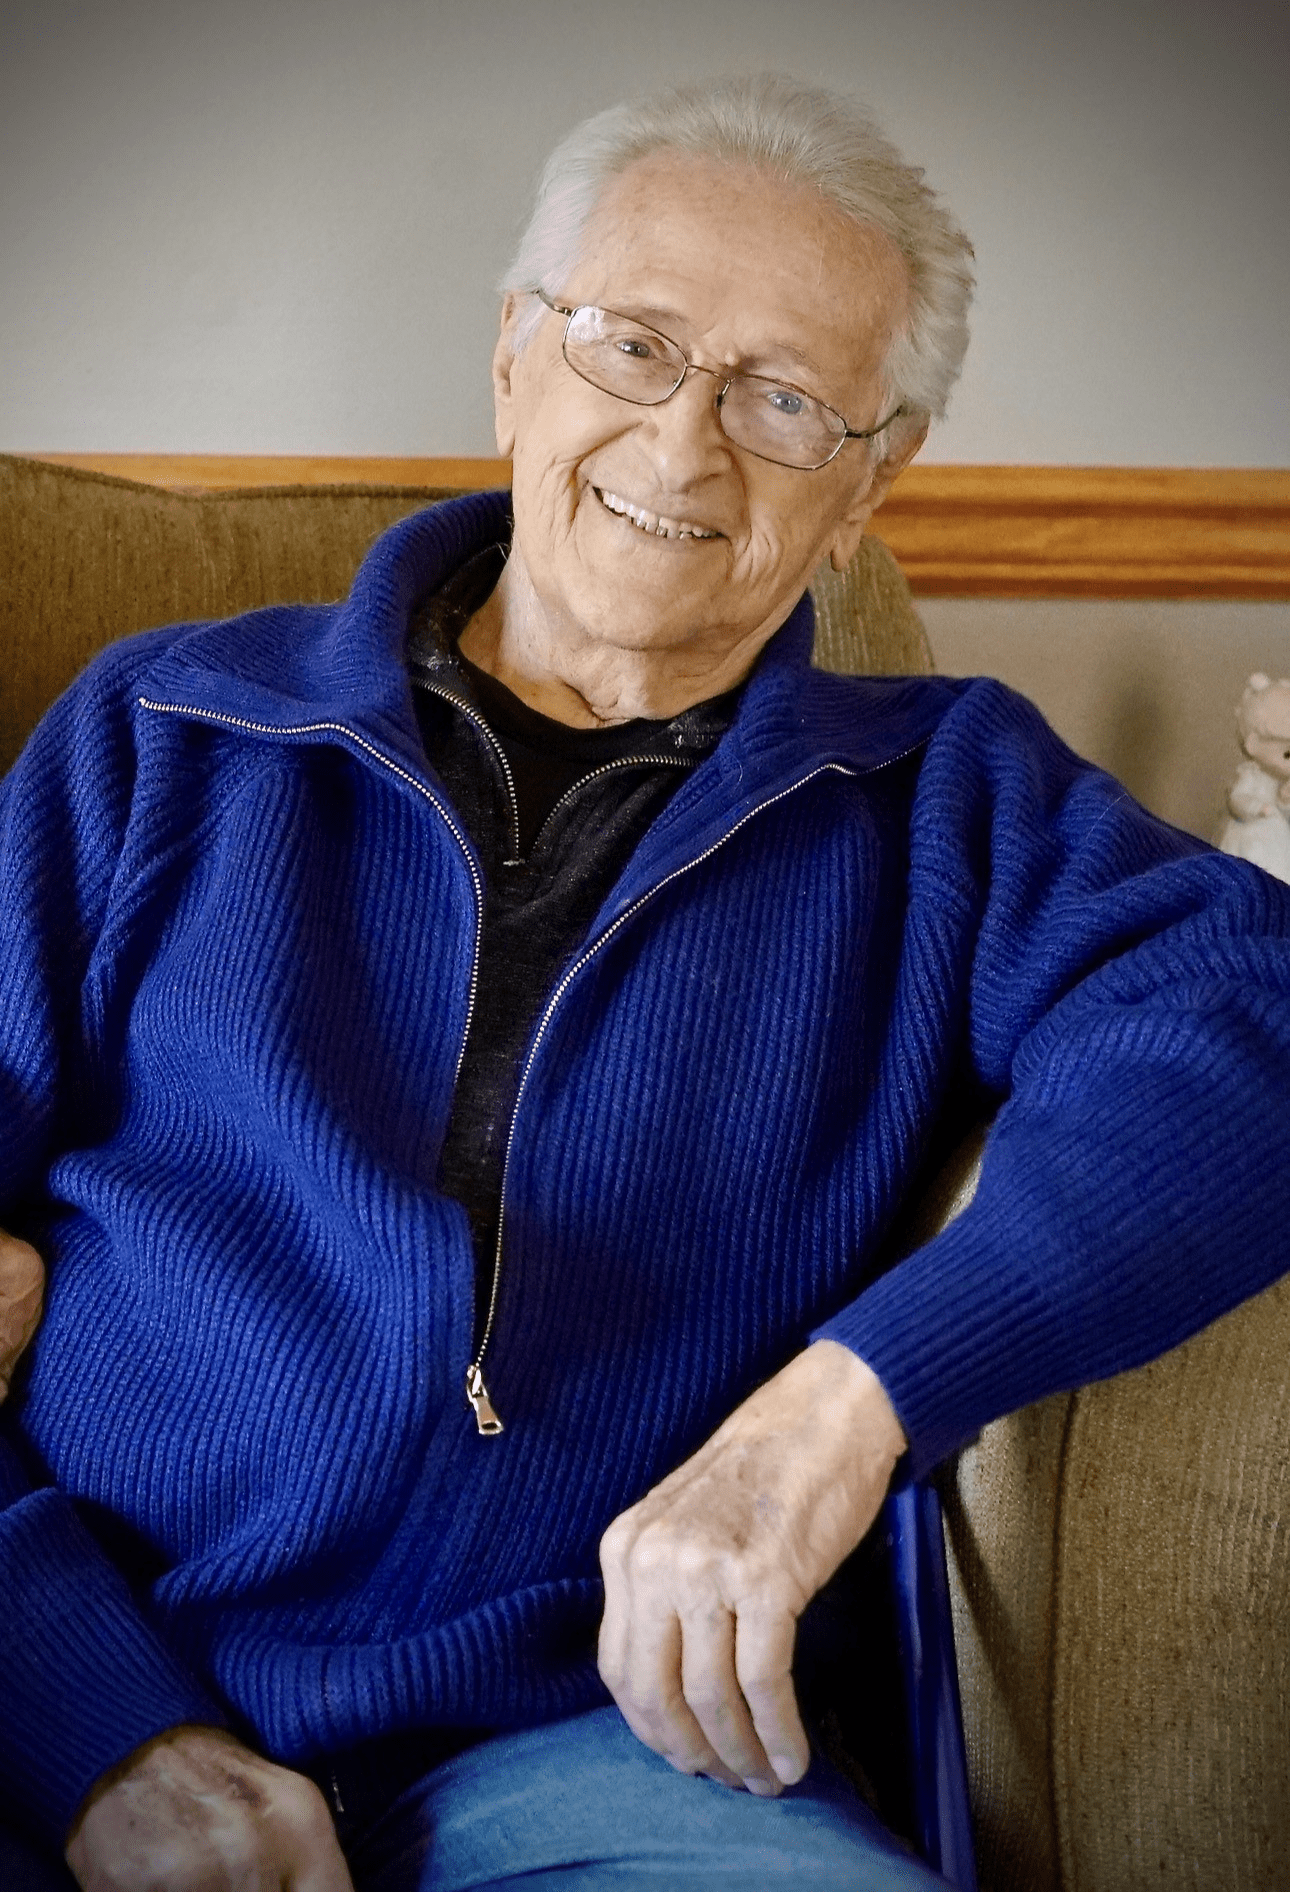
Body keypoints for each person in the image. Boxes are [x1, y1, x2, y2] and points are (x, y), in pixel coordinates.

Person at [1, 72, 1288, 1892]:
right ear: (512, 359)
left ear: (869, 480)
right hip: (85, 1684)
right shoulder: (164, 730)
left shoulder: (945, 795)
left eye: (784, 398)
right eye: (633, 346)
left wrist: (849, 1405)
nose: (684, 448)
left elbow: (1247, 1021)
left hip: (608, 1738)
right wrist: (95, 1727)